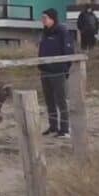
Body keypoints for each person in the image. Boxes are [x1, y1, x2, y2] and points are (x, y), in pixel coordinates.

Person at [38, 8, 75, 138]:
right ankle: (53, 126)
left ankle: (64, 129)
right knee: (49, 101)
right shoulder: (44, 33)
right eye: (42, 18)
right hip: (45, 71)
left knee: (61, 101)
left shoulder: (62, 32)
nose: (43, 20)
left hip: (58, 72)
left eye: (45, 18)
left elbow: (69, 52)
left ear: (52, 18)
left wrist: (64, 68)